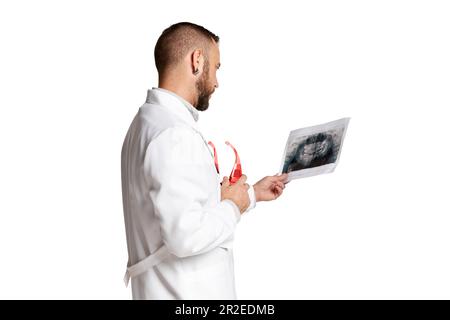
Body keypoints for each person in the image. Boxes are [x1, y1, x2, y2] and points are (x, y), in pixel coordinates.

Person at [121, 22, 288, 300]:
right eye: (217, 67)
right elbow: (185, 235)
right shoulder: (173, 133)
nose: (216, 82)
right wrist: (234, 204)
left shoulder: (146, 124)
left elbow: (179, 211)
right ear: (197, 60)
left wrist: (250, 194)